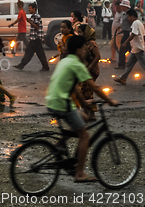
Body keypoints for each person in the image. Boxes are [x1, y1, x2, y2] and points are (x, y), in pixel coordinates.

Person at [45, 35, 118, 183]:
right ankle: (79, 173)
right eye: (84, 48)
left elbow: (74, 85)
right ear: (78, 50)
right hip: (62, 103)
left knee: (84, 118)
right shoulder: (77, 65)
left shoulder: (66, 61)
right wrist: (109, 100)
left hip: (54, 100)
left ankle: (58, 145)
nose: (86, 50)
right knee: (84, 136)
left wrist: (84, 102)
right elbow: (95, 87)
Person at [13, 3, 50, 71]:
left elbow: (36, 27)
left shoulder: (36, 16)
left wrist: (30, 21)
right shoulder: (33, 16)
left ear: (34, 9)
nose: (29, 10)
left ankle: (45, 67)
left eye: (30, 8)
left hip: (36, 38)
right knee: (31, 52)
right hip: (34, 38)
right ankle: (22, 65)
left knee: (36, 53)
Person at [114, 9, 145, 85]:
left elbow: (134, 34)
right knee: (129, 64)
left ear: (132, 16)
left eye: (128, 17)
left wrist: (125, 42)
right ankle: (123, 78)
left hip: (138, 48)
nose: (128, 19)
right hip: (135, 48)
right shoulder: (139, 23)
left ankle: (123, 78)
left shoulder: (135, 23)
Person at [77, 24, 101, 120]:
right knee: (84, 91)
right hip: (86, 70)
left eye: (80, 32)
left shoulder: (91, 43)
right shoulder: (85, 43)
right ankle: (88, 112)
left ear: (86, 33)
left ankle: (91, 113)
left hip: (91, 71)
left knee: (86, 91)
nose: (79, 34)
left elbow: (98, 56)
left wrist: (89, 68)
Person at [116, 0, 132, 69]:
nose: (121, 7)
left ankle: (122, 64)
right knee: (126, 49)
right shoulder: (124, 13)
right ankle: (122, 63)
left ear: (126, 7)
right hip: (125, 32)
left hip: (128, 33)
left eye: (122, 6)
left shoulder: (129, 14)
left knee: (123, 48)